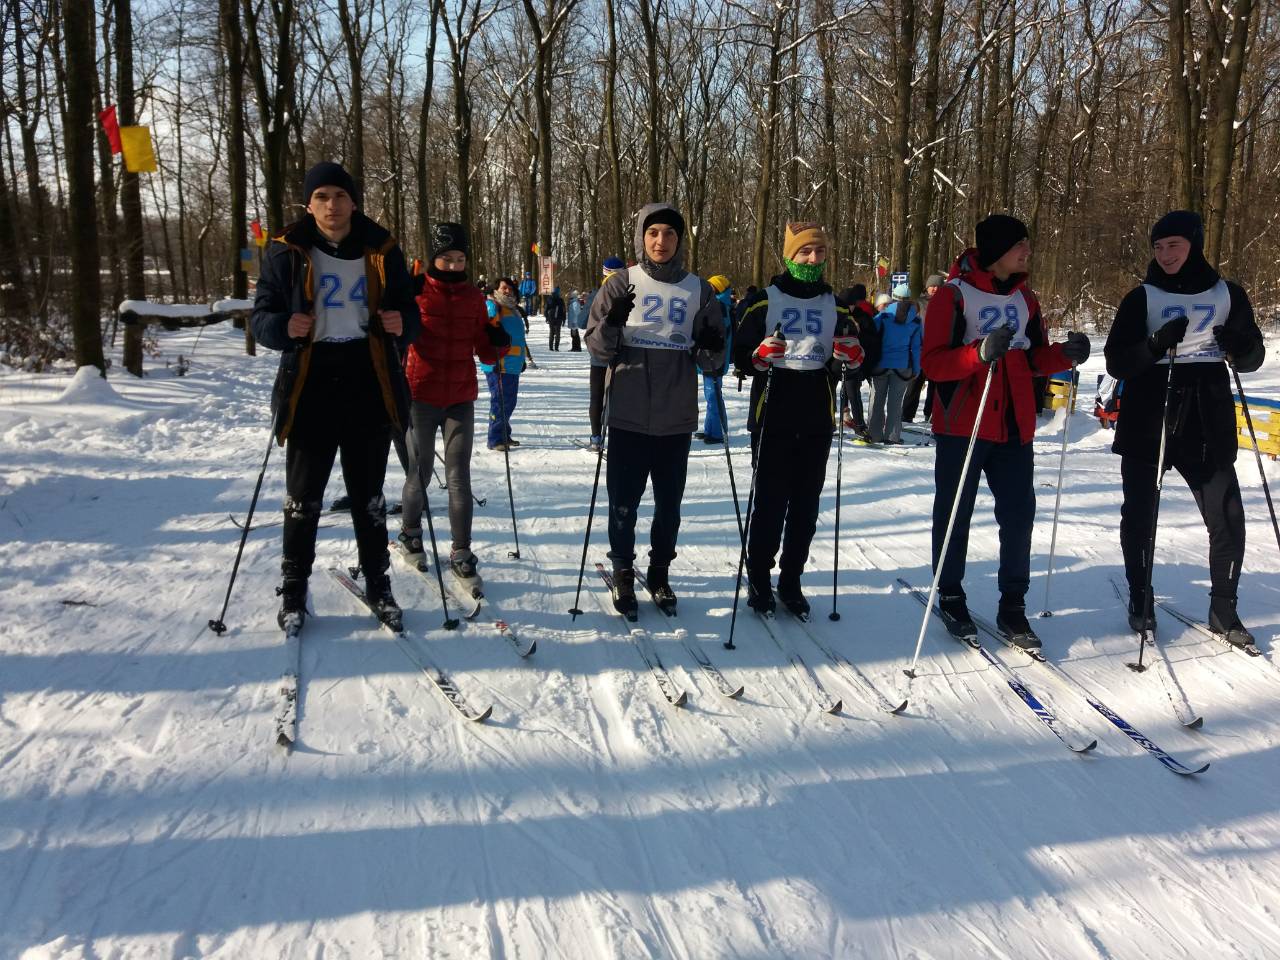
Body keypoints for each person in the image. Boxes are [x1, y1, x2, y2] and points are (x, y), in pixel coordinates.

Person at [251, 161, 421, 629]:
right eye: (322, 196)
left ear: (354, 201)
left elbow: (410, 310)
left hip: (368, 378)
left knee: (368, 496)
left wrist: (402, 323)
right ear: (309, 203)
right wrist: (284, 326)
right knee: (303, 499)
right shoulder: (287, 250)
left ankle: (378, 583)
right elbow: (260, 316)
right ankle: (293, 589)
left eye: (340, 196)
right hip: (311, 380)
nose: (332, 205)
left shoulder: (382, 248)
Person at [922, 213, 1089, 649]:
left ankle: (1013, 604)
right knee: (955, 513)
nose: (1027, 252)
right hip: (965, 422)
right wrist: (977, 353)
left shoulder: (1025, 298)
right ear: (998, 251)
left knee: (1018, 517)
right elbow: (933, 363)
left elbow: (1032, 358)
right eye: (1021, 245)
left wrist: (1064, 354)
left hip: (1015, 425)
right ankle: (952, 594)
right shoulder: (953, 297)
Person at [1104, 210, 1265, 647]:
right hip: (1148, 413)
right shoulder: (1141, 298)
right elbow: (1116, 361)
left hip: (1207, 414)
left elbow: (1253, 360)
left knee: (1228, 515)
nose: (1165, 254)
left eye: (1173, 245)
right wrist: (1154, 345)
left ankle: (1224, 609)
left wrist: (1241, 347)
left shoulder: (1229, 294)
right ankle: (1141, 598)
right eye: (1158, 247)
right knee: (1140, 515)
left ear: (1193, 244)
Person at [585, 202, 726, 615]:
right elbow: (597, 348)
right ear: (641, 238)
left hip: (674, 416)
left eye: (668, 233)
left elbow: (711, 361)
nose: (660, 241)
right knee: (623, 502)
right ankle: (624, 573)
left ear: (680, 240)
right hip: (628, 410)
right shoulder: (620, 283)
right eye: (653, 233)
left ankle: (660, 572)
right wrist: (612, 323)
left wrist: (714, 348)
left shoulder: (699, 290)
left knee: (669, 505)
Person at [733, 222, 863, 616]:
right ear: (789, 255)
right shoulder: (763, 300)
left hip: (816, 413)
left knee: (806, 506)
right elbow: (738, 358)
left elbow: (857, 356)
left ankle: (791, 579)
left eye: (819, 252)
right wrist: (758, 356)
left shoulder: (836, 305)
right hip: (773, 409)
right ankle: (758, 576)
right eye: (805, 252)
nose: (813, 259)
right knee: (770, 503)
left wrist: (853, 358)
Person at [398, 222, 510, 596]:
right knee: (422, 471)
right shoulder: (415, 292)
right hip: (420, 394)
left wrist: (495, 342)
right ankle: (410, 533)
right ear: (434, 258)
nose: (453, 265)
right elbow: (396, 334)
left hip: (460, 395)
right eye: (446, 258)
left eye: (460, 258)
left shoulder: (475, 299)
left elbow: (483, 344)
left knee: (460, 475)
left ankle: (461, 552)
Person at [866, 282, 922, 444]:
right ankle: (892, 436)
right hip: (903, 365)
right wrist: (916, 369)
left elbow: (872, 338)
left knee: (876, 400)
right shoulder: (916, 321)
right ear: (909, 299)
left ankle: (874, 434)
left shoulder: (882, 316)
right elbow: (917, 347)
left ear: (893, 298)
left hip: (880, 364)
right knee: (896, 403)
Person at [480, 278, 528, 451]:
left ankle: (504, 433)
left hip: (513, 363)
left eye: (510, 288)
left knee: (509, 401)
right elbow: (488, 331)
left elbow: (517, 337)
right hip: (499, 363)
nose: (507, 291)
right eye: (504, 288)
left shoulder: (512, 309)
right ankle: (495, 438)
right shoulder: (493, 305)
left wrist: (522, 360)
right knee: (500, 401)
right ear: (496, 289)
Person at [585, 256, 626, 450]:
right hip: (622, 351)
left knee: (597, 395)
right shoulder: (630, 288)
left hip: (601, 351)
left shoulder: (598, 292)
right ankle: (618, 437)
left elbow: (584, 321)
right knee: (619, 396)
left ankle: (596, 437)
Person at [697, 274, 734, 444]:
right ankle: (710, 428)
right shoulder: (719, 304)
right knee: (710, 393)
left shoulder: (718, 305)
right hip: (713, 356)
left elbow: (720, 333)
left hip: (716, 357)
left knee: (713, 395)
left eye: (711, 286)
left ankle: (718, 432)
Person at [902, 272, 945, 422]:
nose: (935, 289)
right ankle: (907, 414)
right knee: (915, 382)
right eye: (932, 286)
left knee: (935, 384)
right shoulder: (918, 303)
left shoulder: (946, 303)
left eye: (938, 286)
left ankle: (930, 413)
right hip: (919, 347)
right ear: (927, 287)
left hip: (938, 348)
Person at [836, 284, 877, 440]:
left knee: (853, 392)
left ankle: (860, 424)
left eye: (851, 305)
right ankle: (835, 418)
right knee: (831, 391)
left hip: (853, 360)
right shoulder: (835, 315)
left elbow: (871, 339)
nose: (849, 308)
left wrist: (859, 339)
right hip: (835, 359)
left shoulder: (862, 317)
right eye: (846, 305)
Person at [545, 286, 566, 350]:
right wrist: (564, 319)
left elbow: (546, 309)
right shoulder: (560, 300)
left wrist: (546, 317)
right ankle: (556, 347)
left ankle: (551, 347)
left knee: (551, 332)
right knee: (558, 333)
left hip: (551, 317)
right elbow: (563, 310)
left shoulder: (549, 299)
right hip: (559, 318)